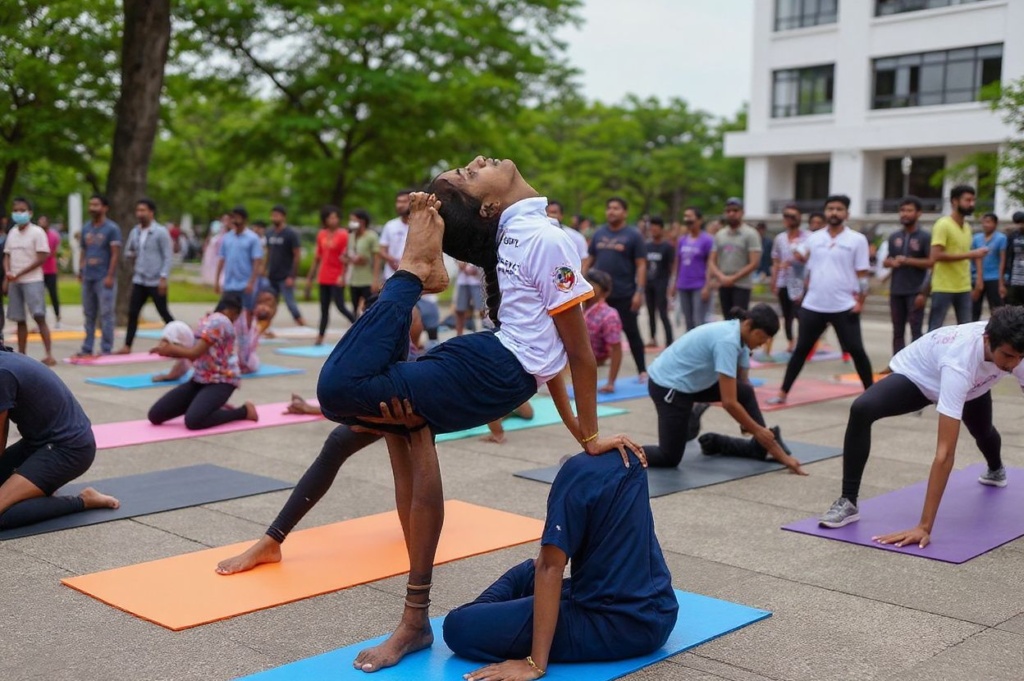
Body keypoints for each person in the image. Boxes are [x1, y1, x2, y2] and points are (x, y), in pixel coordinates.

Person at [224, 157, 643, 675]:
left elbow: (577, 353)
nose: (476, 162)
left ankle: (413, 270)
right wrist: (582, 431)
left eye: (468, 172)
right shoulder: (516, 234)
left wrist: (591, 435)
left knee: (340, 388)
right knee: (359, 428)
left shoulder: (545, 238)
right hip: (492, 356)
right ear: (491, 206)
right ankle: (401, 612)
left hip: (497, 370)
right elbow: (553, 353)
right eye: (469, 174)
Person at [443, 448, 678, 679]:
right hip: (659, 608)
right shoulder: (628, 457)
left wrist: (535, 663)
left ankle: (487, 613)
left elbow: (550, 567)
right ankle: (499, 611)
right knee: (530, 571)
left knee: (458, 626)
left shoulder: (574, 480)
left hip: (617, 621)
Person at [818, 306, 1024, 547]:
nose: (1015, 363)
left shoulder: (1016, 351)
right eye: (1008, 356)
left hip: (974, 385)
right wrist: (924, 527)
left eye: (1020, 357)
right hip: (920, 378)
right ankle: (848, 501)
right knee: (862, 409)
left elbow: (1014, 361)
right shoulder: (959, 361)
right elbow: (945, 453)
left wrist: (1013, 359)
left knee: (983, 431)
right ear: (988, 340)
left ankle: (995, 469)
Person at [642, 304, 804, 473]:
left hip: (692, 382)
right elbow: (729, 403)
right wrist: (769, 441)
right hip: (668, 386)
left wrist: (749, 422)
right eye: (760, 338)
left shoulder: (741, 337)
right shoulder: (727, 341)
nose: (761, 344)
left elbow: (743, 383)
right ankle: (620, 453)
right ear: (748, 325)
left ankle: (760, 447)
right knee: (669, 457)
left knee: (745, 392)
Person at [769, 195, 874, 405]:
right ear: (825, 212)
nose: (834, 213)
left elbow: (863, 274)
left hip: (844, 305)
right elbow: (797, 257)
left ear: (847, 214)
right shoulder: (814, 238)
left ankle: (872, 396)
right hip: (814, 304)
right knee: (800, 350)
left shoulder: (856, 239)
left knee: (856, 350)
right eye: (830, 209)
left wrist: (861, 301)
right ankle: (782, 393)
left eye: (839, 209)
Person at [0, 349, 119, 530]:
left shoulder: (2, 373)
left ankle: (83, 501)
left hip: (69, 449)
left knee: (3, 515)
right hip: (38, 445)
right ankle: (35, 486)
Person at [147, 293, 258, 430]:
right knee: (155, 415)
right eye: (236, 316)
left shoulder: (216, 322)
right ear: (231, 311)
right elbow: (195, 355)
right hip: (200, 380)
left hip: (222, 381)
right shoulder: (214, 321)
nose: (234, 321)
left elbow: (195, 353)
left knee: (194, 421)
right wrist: (170, 350)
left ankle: (244, 411)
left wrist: (172, 349)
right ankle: (206, 404)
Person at [584, 197, 647, 377]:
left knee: (631, 331)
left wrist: (639, 292)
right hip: (599, 294)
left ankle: (642, 370)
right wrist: (580, 280)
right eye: (609, 208)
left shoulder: (633, 235)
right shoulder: (599, 233)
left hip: (624, 293)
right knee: (592, 333)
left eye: (616, 208)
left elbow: (641, 264)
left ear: (625, 212)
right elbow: (590, 260)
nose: (611, 211)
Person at [116, 199, 175, 355]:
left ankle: (180, 339)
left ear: (151, 212)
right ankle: (127, 345)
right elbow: (129, 251)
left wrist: (163, 278)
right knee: (133, 312)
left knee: (163, 312)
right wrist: (133, 257)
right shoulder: (135, 231)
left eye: (143, 210)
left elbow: (168, 256)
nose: (140, 214)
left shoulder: (160, 232)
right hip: (140, 278)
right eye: (138, 211)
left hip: (156, 279)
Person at [926, 184, 988, 331]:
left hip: (964, 285)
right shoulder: (943, 224)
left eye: (973, 200)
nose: (971, 204)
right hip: (943, 285)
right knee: (935, 329)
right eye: (967, 200)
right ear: (954, 201)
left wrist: (979, 279)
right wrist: (971, 254)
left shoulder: (967, 227)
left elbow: (971, 254)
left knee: (966, 330)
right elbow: (936, 255)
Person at [4, 197, 56, 365]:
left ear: (30, 213)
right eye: (16, 210)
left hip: (32, 279)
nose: (19, 213)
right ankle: (22, 355)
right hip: (15, 280)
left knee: (39, 315)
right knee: (19, 319)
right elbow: (7, 255)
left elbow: (42, 257)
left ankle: (49, 353)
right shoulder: (12, 232)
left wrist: (19, 273)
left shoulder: (37, 232)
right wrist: (8, 273)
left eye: (22, 210)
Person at [885, 197, 932, 355]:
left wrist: (923, 293)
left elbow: (931, 263)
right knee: (897, 330)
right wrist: (891, 263)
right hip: (896, 289)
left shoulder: (925, 237)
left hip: (915, 290)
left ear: (919, 213)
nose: (905, 214)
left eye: (909, 210)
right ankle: (896, 365)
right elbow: (887, 260)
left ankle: (916, 365)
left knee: (916, 330)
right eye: (902, 210)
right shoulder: (894, 237)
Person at [76, 194, 121, 358]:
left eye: (96, 205)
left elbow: (115, 254)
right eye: (90, 205)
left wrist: (110, 275)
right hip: (88, 276)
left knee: (106, 313)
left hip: (104, 276)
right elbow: (83, 250)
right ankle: (87, 347)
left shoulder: (112, 229)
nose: (92, 208)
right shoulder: (86, 227)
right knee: (89, 313)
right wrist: (81, 270)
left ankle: (106, 348)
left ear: (104, 208)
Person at [306, 205, 356, 345]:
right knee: (324, 308)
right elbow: (318, 257)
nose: (333, 220)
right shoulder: (321, 234)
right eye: (330, 217)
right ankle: (320, 336)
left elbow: (346, 258)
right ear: (325, 219)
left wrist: (343, 275)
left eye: (335, 217)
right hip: (324, 276)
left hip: (337, 275)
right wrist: (310, 277)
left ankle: (359, 325)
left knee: (340, 306)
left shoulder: (344, 234)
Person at [707, 197, 760, 317]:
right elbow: (712, 260)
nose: (731, 214)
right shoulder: (720, 235)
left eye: (735, 211)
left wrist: (733, 278)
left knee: (740, 321)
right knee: (727, 319)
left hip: (741, 284)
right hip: (723, 283)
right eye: (728, 211)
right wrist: (721, 277)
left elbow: (754, 262)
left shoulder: (750, 234)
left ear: (742, 212)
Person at [770, 204, 810, 353]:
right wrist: (773, 280)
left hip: (801, 280)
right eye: (786, 216)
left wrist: (797, 258)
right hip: (784, 280)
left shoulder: (808, 237)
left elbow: (810, 259)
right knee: (787, 314)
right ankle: (791, 341)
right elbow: (775, 260)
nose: (788, 219)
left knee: (800, 313)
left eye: (792, 216)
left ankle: (802, 340)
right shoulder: (780, 238)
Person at [670, 207, 714, 331]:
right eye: (685, 217)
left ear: (699, 220)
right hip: (683, 284)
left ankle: (701, 349)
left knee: (698, 320)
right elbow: (677, 262)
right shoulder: (682, 240)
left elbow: (710, 263)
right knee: (688, 320)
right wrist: (674, 283)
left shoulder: (707, 240)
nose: (687, 220)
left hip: (699, 285)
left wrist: (707, 286)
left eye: (690, 217)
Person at [215, 206, 264, 313]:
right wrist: (217, 280)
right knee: (223, 312)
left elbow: (256, 261)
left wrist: (252, 282)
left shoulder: (252, 239)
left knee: (246, 313)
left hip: (244, 283)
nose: (234, 220)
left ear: (244, 220)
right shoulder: (227, 237)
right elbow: (221, 259)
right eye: (233, 217)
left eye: (237, 217)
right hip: (229, 284)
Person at [264, 205, 306, 327]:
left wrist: (292, 276)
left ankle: (302, 324)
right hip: (272, 274)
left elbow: (297, 255)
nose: (274, 218)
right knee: (270, 302)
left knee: (290, 303)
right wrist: (265, 269)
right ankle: (265, 326)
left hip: (285, 275)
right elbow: (268, 253)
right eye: (272, 215)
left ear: (283, 217)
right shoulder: (269, 233)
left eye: (277, 215)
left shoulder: (290, 233)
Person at [582, 270, 622, 394]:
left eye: (593, 284)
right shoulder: (576, 308)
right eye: (586, 282)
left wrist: (610, 382)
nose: (588, 286)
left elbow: (616, 350)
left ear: (605, 291)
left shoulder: (609, 315)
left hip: (593, 362)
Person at [644, 216, 675, 347]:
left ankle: (669, 340)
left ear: (661, 229)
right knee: (650, 312)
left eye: (656, 228)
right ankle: (652, 338)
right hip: (648, 282)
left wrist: (672, 284)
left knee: (663, 312)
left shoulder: (667, 247)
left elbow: (672, 266)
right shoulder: (646, 246)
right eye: (652, 228)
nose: (653, 230)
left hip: (661, 282)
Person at [971, 212, 1006, 321]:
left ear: (995, 224)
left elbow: (1002, 260)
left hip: (994, 277)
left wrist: (1001, 283)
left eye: (989, 222)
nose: (986, 225)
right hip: (978, 278)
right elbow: (973, 258)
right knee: (974, 307)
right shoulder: (976, 238)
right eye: (984, 222)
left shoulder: (1001, 238)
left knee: (996, 308)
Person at [347, 209, 378, 317]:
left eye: (354, 220)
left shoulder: (371, 236)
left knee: (369, 308)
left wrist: (375, 279)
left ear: (362, 221)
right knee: (355, 309)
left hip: (367, 279)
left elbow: (376, 259)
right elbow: (348, 254)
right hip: (354, 279)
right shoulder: (351, 236)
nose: (351, 223)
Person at [378, 189, 412, 286]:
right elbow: (381, 250)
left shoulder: (421, 225)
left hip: (413, 277)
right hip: (391, 276)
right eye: (398, 202)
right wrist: (390, 259)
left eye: (404, 202)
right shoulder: (390, 225)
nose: (399, 205)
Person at [38, 215, 61, 328]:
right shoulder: (37, 235)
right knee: (39, 296)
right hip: (38, 271)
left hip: (50, 270)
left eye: (43, 221)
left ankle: (58, 318)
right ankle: (41, 320)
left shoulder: (53, 236)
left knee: (53, 295)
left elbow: (52, 252)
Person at [454, 260, 484, 336]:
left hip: (477, 282)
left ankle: (487, 330)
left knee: (482, 309)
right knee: (460, 310)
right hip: (462, 281)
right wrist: (462, 266)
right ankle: (459, 335)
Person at [1006, 211, 1024, 306]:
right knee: (1014, 307)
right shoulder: (1013, 235)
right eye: (1017, 223)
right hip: (1015, 278)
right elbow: (1008, 254)